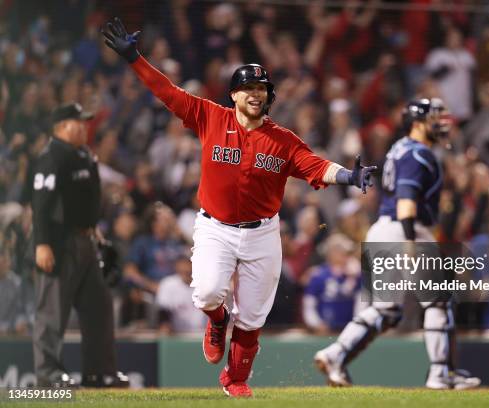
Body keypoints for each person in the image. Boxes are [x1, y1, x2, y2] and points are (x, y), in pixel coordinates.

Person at [101, 18, 376, 398]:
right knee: (207, 294)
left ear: (268, 96)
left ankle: (235, 379)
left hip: (263, 232)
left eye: (261, 88)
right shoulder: (210, 117)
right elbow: (168, 93)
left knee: (253, 317)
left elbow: (315, 166)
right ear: (233, 95)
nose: (254, 93)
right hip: (216, 227)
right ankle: (217, 321)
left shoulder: (283, 140)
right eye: (247, 87)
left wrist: (348, 176)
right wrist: (135, 60)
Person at [314, 98, 481, 390]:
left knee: (386, 310)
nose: (441, 123)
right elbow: (406, 199)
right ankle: (441, 373)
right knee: (438, 300)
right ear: (418, 122)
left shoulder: (399, 149)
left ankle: (335, 354)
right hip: (407, 229)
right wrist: (410, 240)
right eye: (435, 118)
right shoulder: (418, 154)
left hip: (382, 230)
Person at [31, 102, 129, 388]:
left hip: (85, 239)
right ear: (62, 126)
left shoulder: (84, 155)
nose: (85, 127)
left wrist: (95, 229)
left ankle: (100, 372)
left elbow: (85, 201)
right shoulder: (52, 156)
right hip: (59, 242)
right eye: (79, 122)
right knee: (52, 311)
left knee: (99, 307)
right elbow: (41, 204)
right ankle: (48, 374)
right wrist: (42, 244)